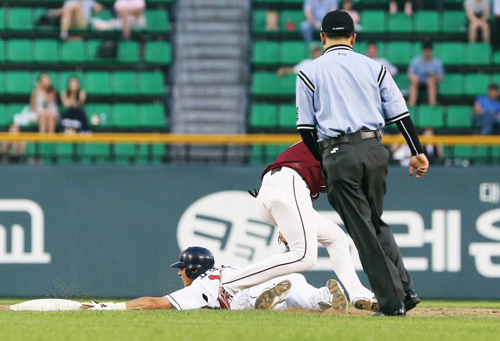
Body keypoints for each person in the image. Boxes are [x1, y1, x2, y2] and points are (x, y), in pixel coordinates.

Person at [295, 10, 429, 316]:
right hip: (375, 149)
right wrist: (417, 151)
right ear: (354, 37)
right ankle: (406, 290)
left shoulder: (309, 72)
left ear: (322, 37)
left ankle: (393, 303)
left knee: (362, 231)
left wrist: (324, 163)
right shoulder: (374, 67)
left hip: (338, 153)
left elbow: (305, 130)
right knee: (376, 221)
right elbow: (401, 114)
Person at [218, 141, 378, 312]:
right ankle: (231, 284)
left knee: (336, 238)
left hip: (276, 189)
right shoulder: (335, 138)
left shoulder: (334, 146)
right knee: (304, 257)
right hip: (287, 183)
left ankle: (359, 293)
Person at [83, 247, 349, 312]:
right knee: (296, 285)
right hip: (259, 282)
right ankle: (326, 296)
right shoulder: (223, 267)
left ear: (194, 269)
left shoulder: (201, 285)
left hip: (245, 296)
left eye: (182, 268)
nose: (179, 272)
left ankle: (269, 299)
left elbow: (154, 302)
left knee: (259, 297)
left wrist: (108, 306)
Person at [408, 41, 444, 106]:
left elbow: (441, 77)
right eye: (426, 50)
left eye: (429, 50)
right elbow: (409, 74)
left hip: (431, 83)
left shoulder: (437, 62)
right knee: (414, 81)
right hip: (418, 82)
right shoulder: (416, 61)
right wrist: (414, 77)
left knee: (430, 81)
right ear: (423, 50)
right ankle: (412, 103)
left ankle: (433, 103)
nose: (427, 52)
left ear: (432, 51)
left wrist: (434, 77)